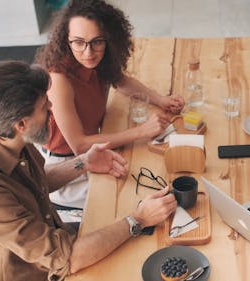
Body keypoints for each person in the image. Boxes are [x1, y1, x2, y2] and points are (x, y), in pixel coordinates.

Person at [0, 61, 177, 281]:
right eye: (45, 104)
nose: (51, 108)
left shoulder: (5, 135)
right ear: (21, 124)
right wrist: (138, 219)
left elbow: (36, 182)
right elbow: (68, 259)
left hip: (57, 240)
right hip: (39, 273)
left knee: (148, 238)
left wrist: (83, 163)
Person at [34, 0, 184, 210]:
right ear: (65, 40)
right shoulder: (59, 80)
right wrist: (141, 131)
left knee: (155, 170)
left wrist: (160, 99)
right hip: (68, 168)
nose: (88, 52)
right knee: (140, 192)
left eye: (97, 42)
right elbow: (80, 145)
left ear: (108, 40)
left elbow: (120, 81)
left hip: (96, 150)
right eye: (78, 42)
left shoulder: (97, 61)